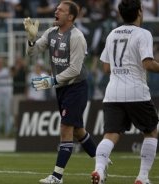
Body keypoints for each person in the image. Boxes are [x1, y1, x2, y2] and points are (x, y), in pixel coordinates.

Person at [24, 1, 103, 183]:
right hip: (61, 87)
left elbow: (75, 70)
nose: (56, 11)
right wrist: (30, 38)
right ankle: (101, 161)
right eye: (57, 8)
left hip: (76, 87)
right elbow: (33, 52)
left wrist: (51, 81)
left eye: (61, 10)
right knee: (78, 131)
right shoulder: (51, 32)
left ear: (71, 17)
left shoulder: (77, 37)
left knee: (66, 128)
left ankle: (57, 176)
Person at [91, 0, 159, 184]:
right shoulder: (143, 33)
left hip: (113, 93)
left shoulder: (113, 34)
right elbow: (147, 63)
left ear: (121, 15)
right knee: (151, 132)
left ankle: (98, 170)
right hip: (136, 92)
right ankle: (142, 177)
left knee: (111, 134)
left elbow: (105, 67)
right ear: (140, 12)